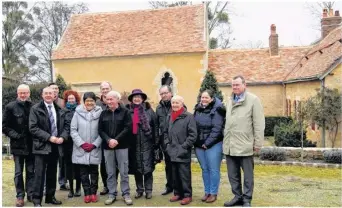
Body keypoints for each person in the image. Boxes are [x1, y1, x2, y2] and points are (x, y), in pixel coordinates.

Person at [223, 75, 265, 207]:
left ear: (244, 85)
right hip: (230, 145)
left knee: (248, 176)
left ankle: (247, 199)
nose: (235, 87)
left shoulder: (253, 100)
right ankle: (237, 196)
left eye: (237, 84)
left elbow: (259, 123)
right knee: (232, 175)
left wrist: (258, 143)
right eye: (233, 85)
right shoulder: (230, 100)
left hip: (245, 145)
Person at [29, 87, 70, 207]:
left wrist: (63, 137)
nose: (48, 95)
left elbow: (66, 127)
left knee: (52, 173)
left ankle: (50, 197)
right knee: (39, 174)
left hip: (56, 146)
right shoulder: (35, 109)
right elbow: (33, 128)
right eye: (45, 93)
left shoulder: (60, 109)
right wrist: (49, 137)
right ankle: (37, 200)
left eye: (50, 93)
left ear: (54, 95)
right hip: (41, 146)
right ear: (42, 95)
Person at [98, 91, 133, 205]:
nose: (109, 102)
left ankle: (126, 193)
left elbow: (127, 128)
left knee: (124, 171)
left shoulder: (125, 112)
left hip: (122, 146)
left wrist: (116, 140)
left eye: (111, 99)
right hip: (107, 147)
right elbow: (100, 130)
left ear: (117, 100)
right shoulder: (103, 114)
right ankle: (112, 194)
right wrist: (108, 140)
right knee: (110, 172)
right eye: (107, 99)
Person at [3, 84, 35, 207]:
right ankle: (20, 196)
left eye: (25, 93)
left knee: (31, 171)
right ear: (17, 93)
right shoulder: (10, 107)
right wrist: (16, 135)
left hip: (31, 145)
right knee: (18, 172)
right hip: (17, 146)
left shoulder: (34, 107)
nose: (23, 95)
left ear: (29, 93)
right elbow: (5, 126)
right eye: (21, 93)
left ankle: (31, 193)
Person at [163, 95, 197, 206]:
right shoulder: (169, 116)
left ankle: (187, 195)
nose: (175, 105)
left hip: (183, 151)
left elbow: (193, 135)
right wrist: (167, 144)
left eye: (177, 103)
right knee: (175, 174)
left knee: (184, 175)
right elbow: (165, 133)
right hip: (172, 151)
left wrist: (183, 147)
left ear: (182, 104)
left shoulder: (189, 117)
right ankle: (177, 193)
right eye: (173, 103)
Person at [193, 89, 226, 203]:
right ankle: (207, 192)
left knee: (213, 169)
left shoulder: (217, 109)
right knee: (204, 169)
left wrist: (207, 143)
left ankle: (213, 193)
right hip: (199, 144)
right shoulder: (197, 109)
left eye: (206, 97)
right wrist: (196, 142)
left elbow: (217, 128)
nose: (204, 99)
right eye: (202, 97)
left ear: (212, 99)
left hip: (213, 144)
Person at [126, 89, 159, 200]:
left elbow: (155, 127)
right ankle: (139, 190)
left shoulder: (149, 111)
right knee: (137, 169)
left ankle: (149, 190)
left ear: (143, 98)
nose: (137, 99)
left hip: (148, 144)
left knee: (148, 168)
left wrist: (156, 143)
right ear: (132, 99)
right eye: (134, 97)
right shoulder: (128, 111)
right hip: (133, 145)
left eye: (139, 97)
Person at [70, 92, 103, 203]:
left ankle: (93, 193)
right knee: (83, 173)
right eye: (87, 101)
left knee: (94, 172)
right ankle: (87, 193)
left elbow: (103, 131)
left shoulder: (100, 113)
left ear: (95, 102)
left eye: (91, 101)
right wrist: (82, 144)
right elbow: (73, 131)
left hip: (95, 148)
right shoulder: (77, 113)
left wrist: (95, 144)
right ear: (84, 102)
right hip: (81, 148)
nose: (89, 103)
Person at [48, 82, 68, 191]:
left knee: (62, 161)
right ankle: (48, 185)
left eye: (56, 88)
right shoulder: (45, 102)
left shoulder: (62, 102)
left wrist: (63, 136)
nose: (55, 90)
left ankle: (62, 182)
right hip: (48, 137)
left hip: (61, 137)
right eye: (52, 88)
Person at [62, 90, 82, 198]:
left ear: (76, 100)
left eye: (72, 99)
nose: (71, 100)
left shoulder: (80, 111)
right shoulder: (63, 111)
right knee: (68, 165)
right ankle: (71, 189)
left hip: (78, 141)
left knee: (78, 165)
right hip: (67, 142)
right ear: (66, 100)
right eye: (69, 99)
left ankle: (78, 187)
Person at [155, 85, 173, 195]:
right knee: (168, 165)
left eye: (165, 93)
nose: (164, 95)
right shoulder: (158, 108)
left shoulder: (177, 103)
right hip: (164, 141)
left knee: (178, 165)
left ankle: (179, 187)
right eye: (161, 94)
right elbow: (157, 125)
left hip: (176, 140)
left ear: (170, 93)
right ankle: (169, 186)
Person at [96, 81, 111, 195]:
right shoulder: (97, 104)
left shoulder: (117, 102)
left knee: (114, 164)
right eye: (103, 89)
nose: (105, 90)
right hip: (101, 139)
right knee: (104, 165)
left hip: (114, 139)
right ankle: (106, 186)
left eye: (107, 88)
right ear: (100, 90)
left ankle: (113, 185)